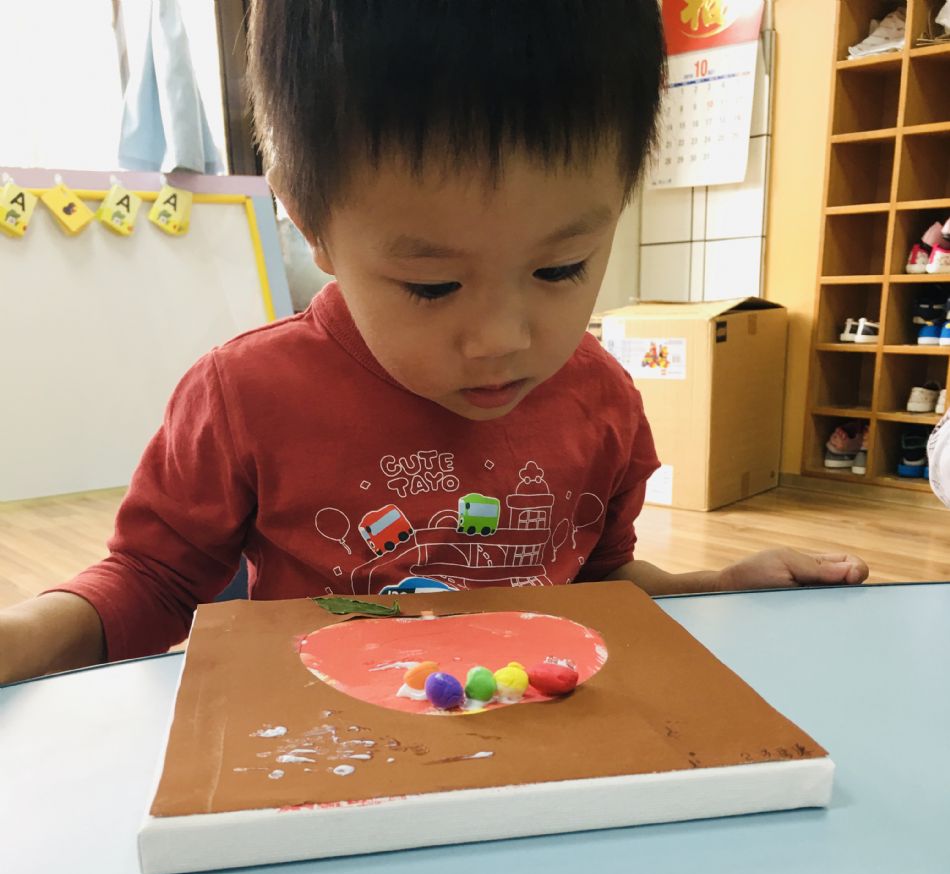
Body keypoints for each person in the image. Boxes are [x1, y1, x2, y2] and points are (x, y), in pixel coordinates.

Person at [0, 0, 867, 686]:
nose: (502, 340)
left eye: (561, 267)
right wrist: (26, 635)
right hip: (326, 749)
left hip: (529, 753)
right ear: (312, 227)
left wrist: (716, 591)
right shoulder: (243, 396)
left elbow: (600, 586)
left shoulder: (601, 402)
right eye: (432, 285)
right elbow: (151, 584)